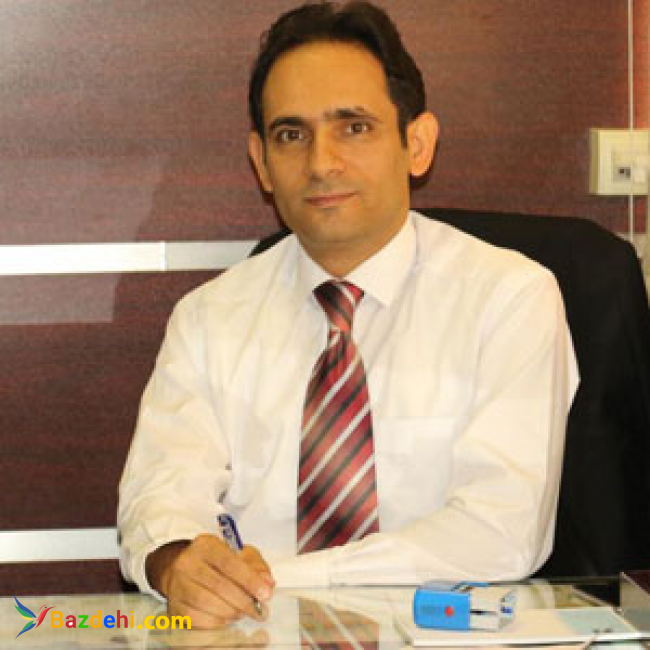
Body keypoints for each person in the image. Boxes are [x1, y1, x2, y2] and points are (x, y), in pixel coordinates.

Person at [118, 0, 578, 629]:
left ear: (417, 144)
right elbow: (160, 498)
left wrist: (276, 578)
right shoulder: (207, 318)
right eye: (291, 135)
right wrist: (178, 564)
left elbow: (499, 534)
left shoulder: (511, 298)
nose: (321, 163)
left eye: (354, 127)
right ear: (261, 163)